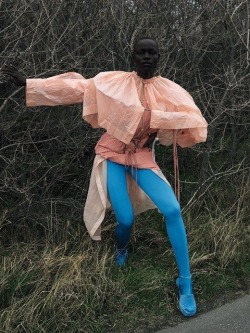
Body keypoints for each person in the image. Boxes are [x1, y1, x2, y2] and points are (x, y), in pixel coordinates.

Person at [1, 37, 208, 317]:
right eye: (141, 53)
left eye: (152, 53)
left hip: (143, 157)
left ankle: (185, 283)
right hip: (112, 154)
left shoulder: (171, 90)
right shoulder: (114, 82)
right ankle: (121, 248)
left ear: (160, 57)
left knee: (172, 209)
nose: (146, 57)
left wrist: (159, 119)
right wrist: (30, 84)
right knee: (124, 218)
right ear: (132, 56)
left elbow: (192, 120)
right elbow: (77, 87)